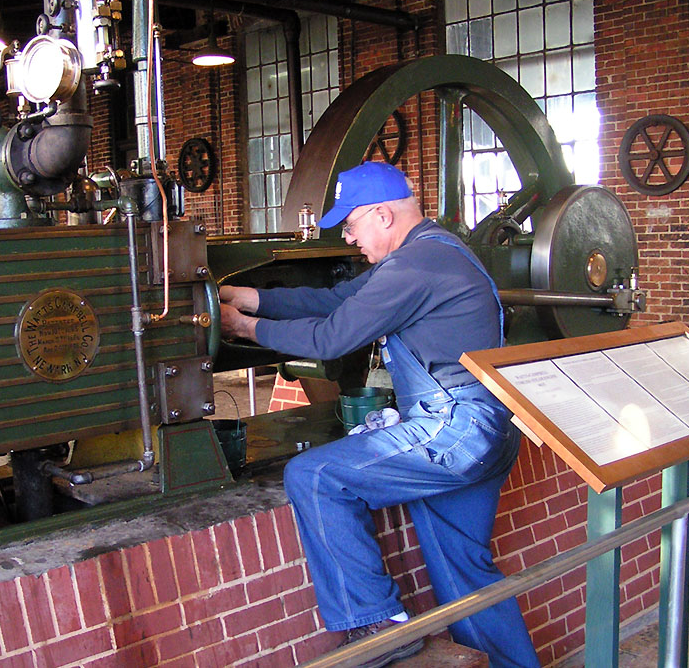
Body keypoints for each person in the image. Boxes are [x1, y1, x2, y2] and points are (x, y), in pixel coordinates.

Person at [219, 162, 539, 668]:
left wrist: (245, 328)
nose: (349, 239)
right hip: (487, 427)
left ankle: (379, 624)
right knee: (465, 573)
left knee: (315, 476)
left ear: (383, 216)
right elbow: (336, 300)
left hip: (454, 429)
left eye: (350, 225)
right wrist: (251, 297)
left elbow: (331, 337)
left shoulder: (415, 267)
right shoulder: (436, 252)